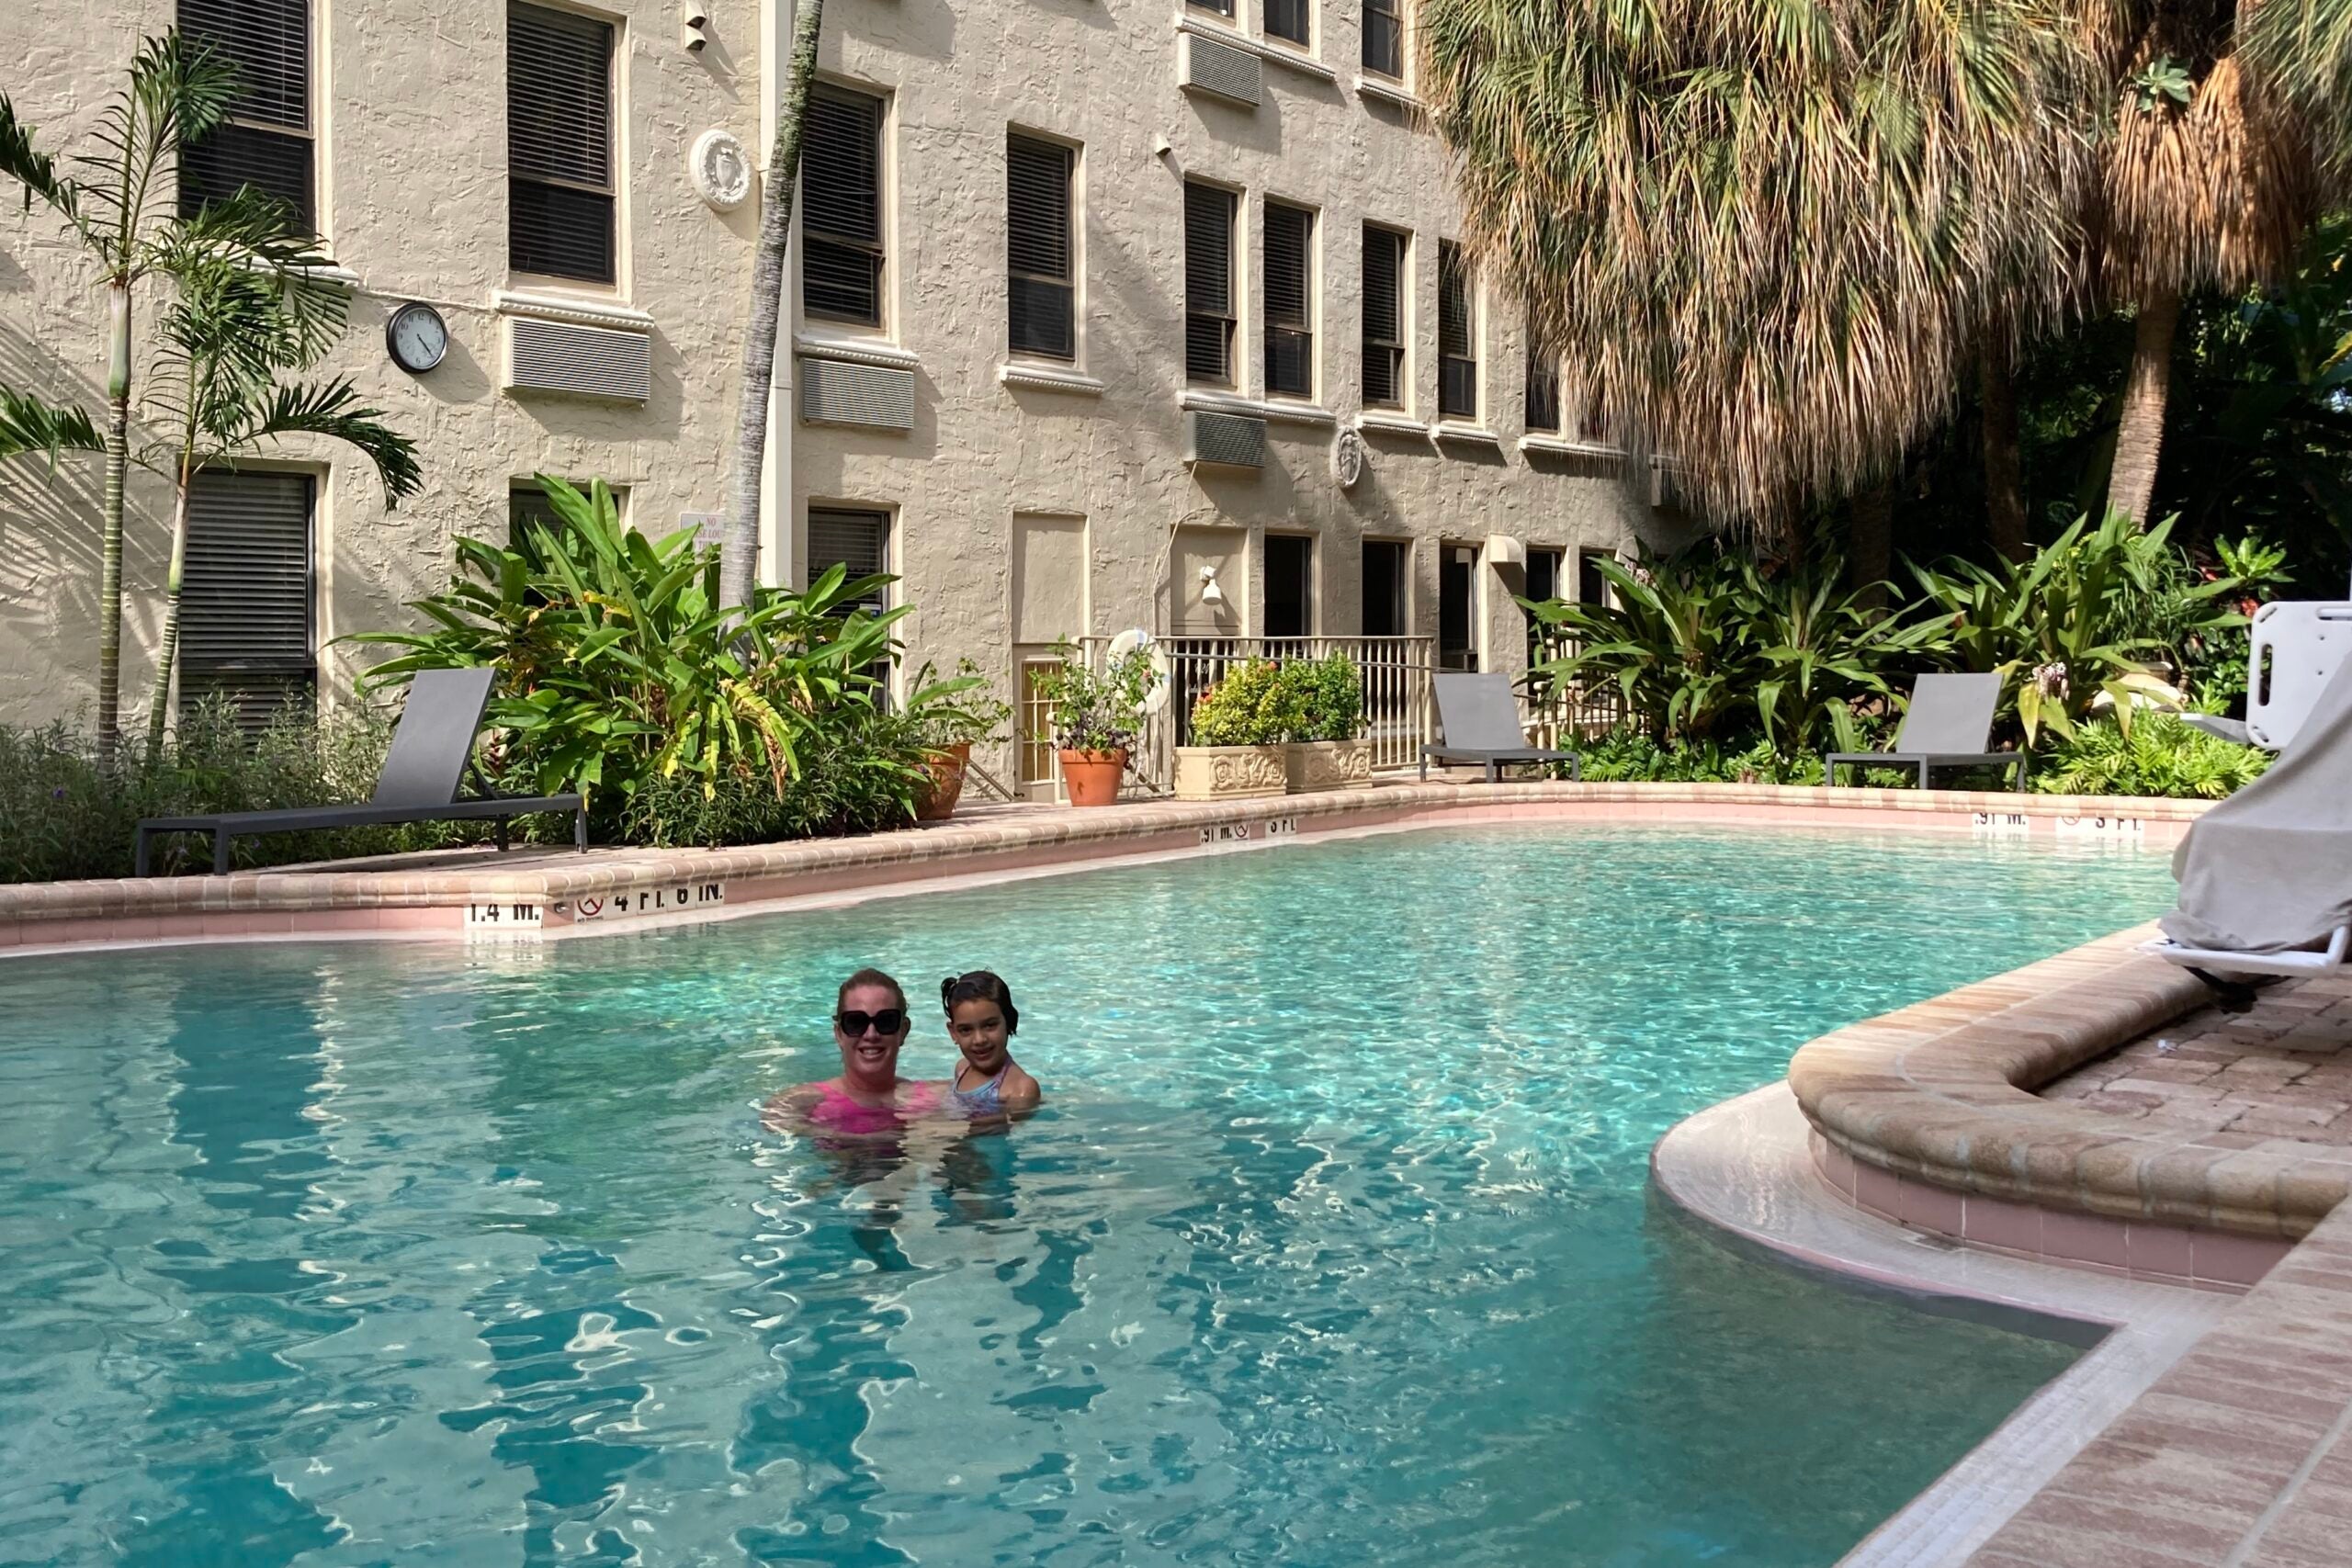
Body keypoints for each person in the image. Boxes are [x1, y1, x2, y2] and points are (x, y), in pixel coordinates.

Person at [765, 968, 940, 1136]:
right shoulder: (804, 1102)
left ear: (903, 1030)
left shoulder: (929, 1100)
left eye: (886, 1021)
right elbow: (771, 1120)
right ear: (839, 1034)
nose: (871, 1034)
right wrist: (855, 1140)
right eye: (856, 1022)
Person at [939, 970, 1042, 1118]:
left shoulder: (1020, 1090)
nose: (979, 1039)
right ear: (953, 1033)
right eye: (966, 1029)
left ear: (1009, 1021)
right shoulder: (962, 1068)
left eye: (990, 1025)